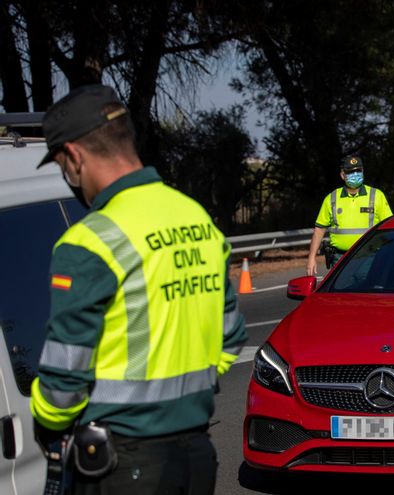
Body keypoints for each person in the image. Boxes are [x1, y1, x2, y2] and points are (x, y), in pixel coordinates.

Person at [29, 84, 247, 493]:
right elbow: (231, 336)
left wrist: (46, 423)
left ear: (74, 157)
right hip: (196, 452)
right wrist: (183, 397)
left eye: (62, 166)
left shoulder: (90, 241)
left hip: (123, 462)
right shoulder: (196, 218)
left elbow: (63, 381)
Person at [306, 156, 393, 276]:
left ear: (363, 172)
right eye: (351, 172)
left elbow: (389, 227)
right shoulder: (331, 198)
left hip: (369, 257)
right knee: (340, 293)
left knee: (363, 293)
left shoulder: (377, 196)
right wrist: (311, 258)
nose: (355, 174)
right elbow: (319, 230)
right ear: (342, 175)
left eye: (358, 171)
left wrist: (390, 254)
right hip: (339, 259)